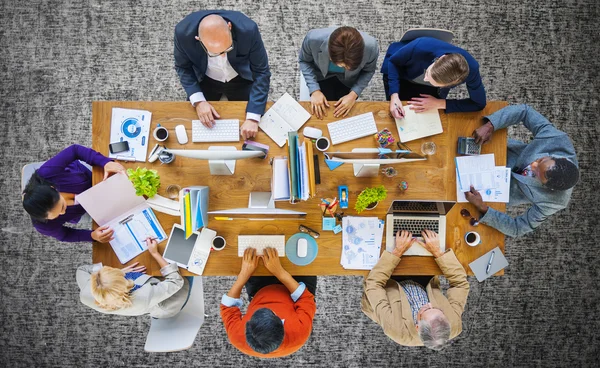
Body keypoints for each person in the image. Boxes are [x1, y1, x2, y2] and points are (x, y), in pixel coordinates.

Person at [466, 104, 579, 237]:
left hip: (488, 194)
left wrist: (483, 208)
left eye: (536, 175)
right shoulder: (558, 140)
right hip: (498, 152)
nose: (532, 165)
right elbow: (524, 112)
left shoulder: (556, 202)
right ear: (559, 157)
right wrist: (491, 125)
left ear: (549, 188)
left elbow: (518, 228)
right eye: (541, 160)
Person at [361, 230, 470, 350]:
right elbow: (460, 284)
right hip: (422, 282)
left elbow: (373, 285)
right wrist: (438, 252)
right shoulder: (453, 324)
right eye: (437, 309)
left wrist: (397, 252)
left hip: (387, 286)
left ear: (417, 326)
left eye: (425, 310)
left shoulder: (396, 329)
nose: (429, 304)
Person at [174, 10, 271, 140]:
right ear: (199, 40)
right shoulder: (182, 34)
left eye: (228, 48)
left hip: (241, 78)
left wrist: (253, 118)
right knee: (194, 128)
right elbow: (183, 67)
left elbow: (262, 72)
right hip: (206, 79)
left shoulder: (249, 30)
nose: (223, 56)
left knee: (258, 130)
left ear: (229, 27)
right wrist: (199, 101)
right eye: (215, 53)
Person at [220, 248, 317, 358]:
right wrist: (280, 272)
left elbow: (228, 307)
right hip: (297, 289)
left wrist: (244, 274)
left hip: (260, 289)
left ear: (247, 327)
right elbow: (306, 299)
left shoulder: (237, 337)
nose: (268, 304)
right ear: (281, 325)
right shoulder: (300, 333)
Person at [22, 144, 125, 243]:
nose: (63, 213)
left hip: (93, 178)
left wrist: (105, 162)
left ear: (53, 188)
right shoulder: (43, 226)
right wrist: (92, 235)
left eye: (62, 206)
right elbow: (65, 235)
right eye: (57, 215)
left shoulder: (46, 173)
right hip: (94, 205)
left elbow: (75, 150)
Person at [77, 238, 190, 318]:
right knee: (184, 270)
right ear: (125, 283)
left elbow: (81, 270)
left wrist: (119, 272)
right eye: (120, 274)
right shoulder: (143, 297)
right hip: (169, 301)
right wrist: (155, 253)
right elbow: (176, 281)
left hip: (145, 295)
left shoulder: (86, 294)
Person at [381, 37, 486, 118]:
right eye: (427, 73)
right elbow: (393, 61)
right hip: (402, 71)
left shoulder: (472, 71)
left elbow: (479, 103)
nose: (425, 79)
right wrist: (394, 96)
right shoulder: (421, 45)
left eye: (432, 82)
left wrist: (441, 103)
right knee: (396, 111)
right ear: (440, 58)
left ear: (453, 83)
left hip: (430, 89)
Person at [299, 26, 379, 119]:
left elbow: (368, 70)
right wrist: (314, 91)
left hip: (349, 80)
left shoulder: (371, 47)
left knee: (344, 114)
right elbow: (304, 61)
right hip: (320, 75)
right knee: (318, 113)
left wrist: (353, 95)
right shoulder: (312, 39)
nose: (341, 67)